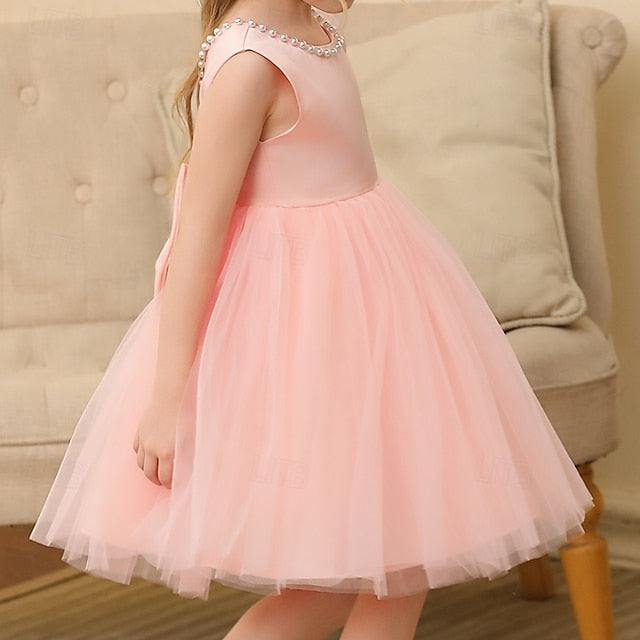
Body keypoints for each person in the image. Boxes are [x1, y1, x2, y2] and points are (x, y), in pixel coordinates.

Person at [30, 0, 594, 638]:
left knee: (403, 561)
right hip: (303, 337)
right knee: (328, 587)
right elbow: (196, 239)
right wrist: (167, 399)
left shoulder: (315, 25)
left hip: (378, 313)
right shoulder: (249, 64)